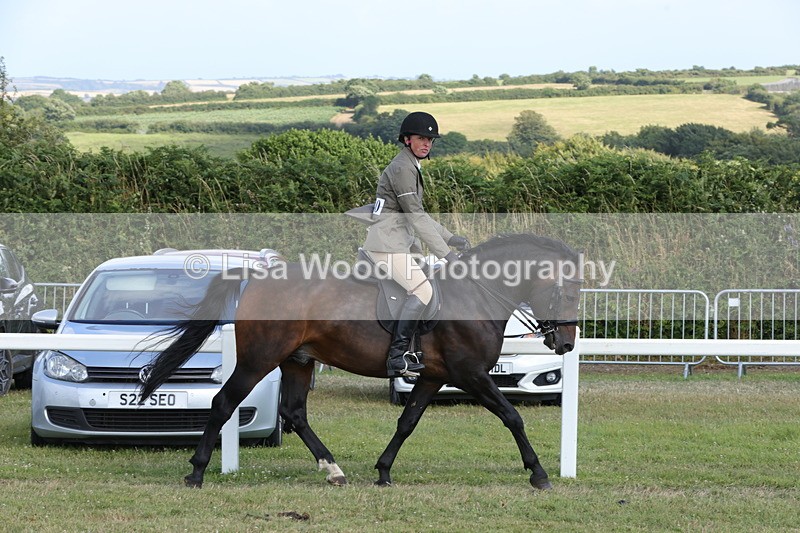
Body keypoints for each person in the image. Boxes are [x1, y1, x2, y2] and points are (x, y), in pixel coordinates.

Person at [362, 111, 470, 378]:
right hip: (387, 244)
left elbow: (419, 215)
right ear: (407, 139)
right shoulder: (402, 168)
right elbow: (415, 216)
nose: (427, 144)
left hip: (399, 242)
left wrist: (448, 237)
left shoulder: (410, 166)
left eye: (431, 140)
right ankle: (396, 357)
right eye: (422, 138)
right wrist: (446, 254)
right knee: (422, 291)